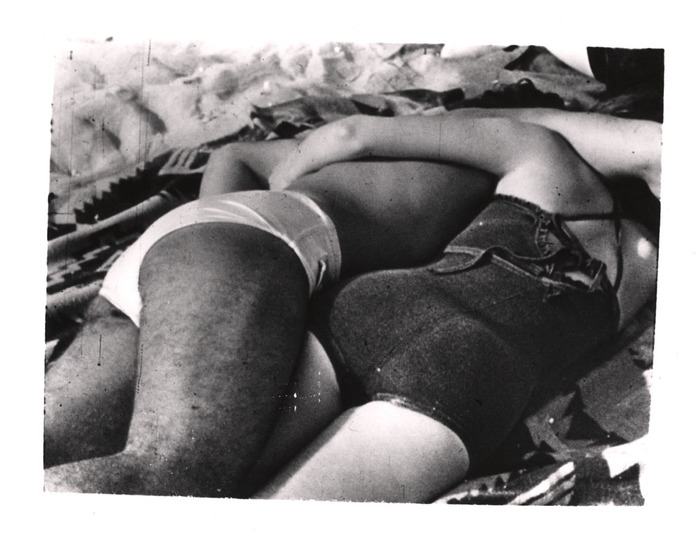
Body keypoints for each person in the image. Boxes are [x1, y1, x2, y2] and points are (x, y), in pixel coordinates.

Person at [44, 108, 660, 500]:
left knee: (59, 451)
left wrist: (247, 213)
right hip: (463, 366)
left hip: (297, 282)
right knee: (186, 486)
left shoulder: (529, 155)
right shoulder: (645, 257)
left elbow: (331, 137)